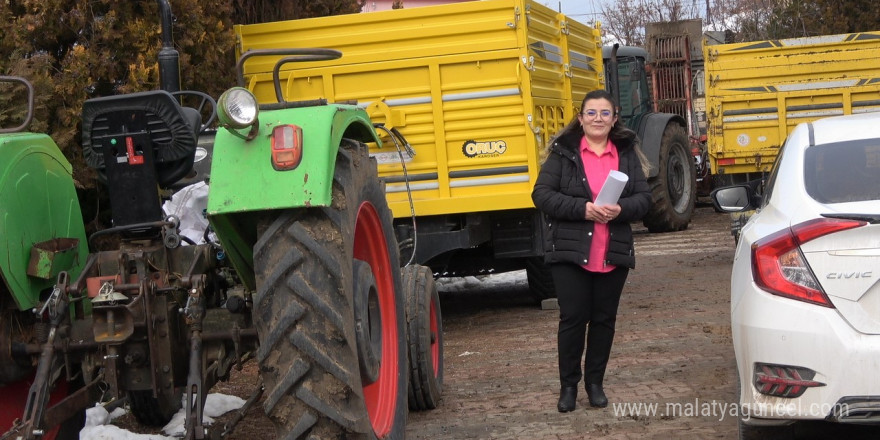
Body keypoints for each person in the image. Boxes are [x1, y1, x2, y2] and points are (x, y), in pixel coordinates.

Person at [531, 89, 652, 412]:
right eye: (591, 113)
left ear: (614, 119)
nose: (598, 119)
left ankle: (595, 384)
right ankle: (568, 387)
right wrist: (583, 209)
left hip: (612, 251)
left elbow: (644, 199)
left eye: (605, 113)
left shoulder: (625, 154)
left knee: (603, 319)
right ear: (581, 118)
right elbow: (541, 195)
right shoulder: (563, 153)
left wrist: (620, 209)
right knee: (572, 318)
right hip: (570, 252)